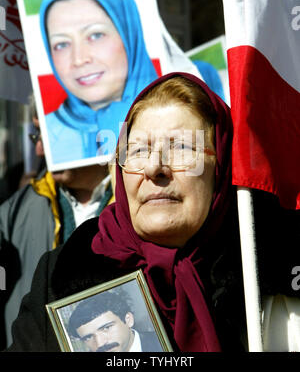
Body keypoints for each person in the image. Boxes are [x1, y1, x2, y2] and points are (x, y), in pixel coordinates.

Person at [6, 72, 246, 352]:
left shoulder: (265, 274)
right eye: (138, 151)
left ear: (220, 168)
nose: (154, 168)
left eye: (181, 147)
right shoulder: (64, 271)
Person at [0, 114, 114, 350]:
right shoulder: (13, 211)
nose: (39, 149)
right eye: (36, 134)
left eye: (48, 133)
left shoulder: (145, 204)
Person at [39, 0, 158, 165]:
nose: (79, 59)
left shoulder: (177, 117)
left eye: (95, 35)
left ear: (129, 35)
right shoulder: (49, 134)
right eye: (61, 44)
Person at [67, 289, 162, 352]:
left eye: (106, 328)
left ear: (128, 320)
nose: (100, 343)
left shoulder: (164, 342)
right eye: (88, 337)